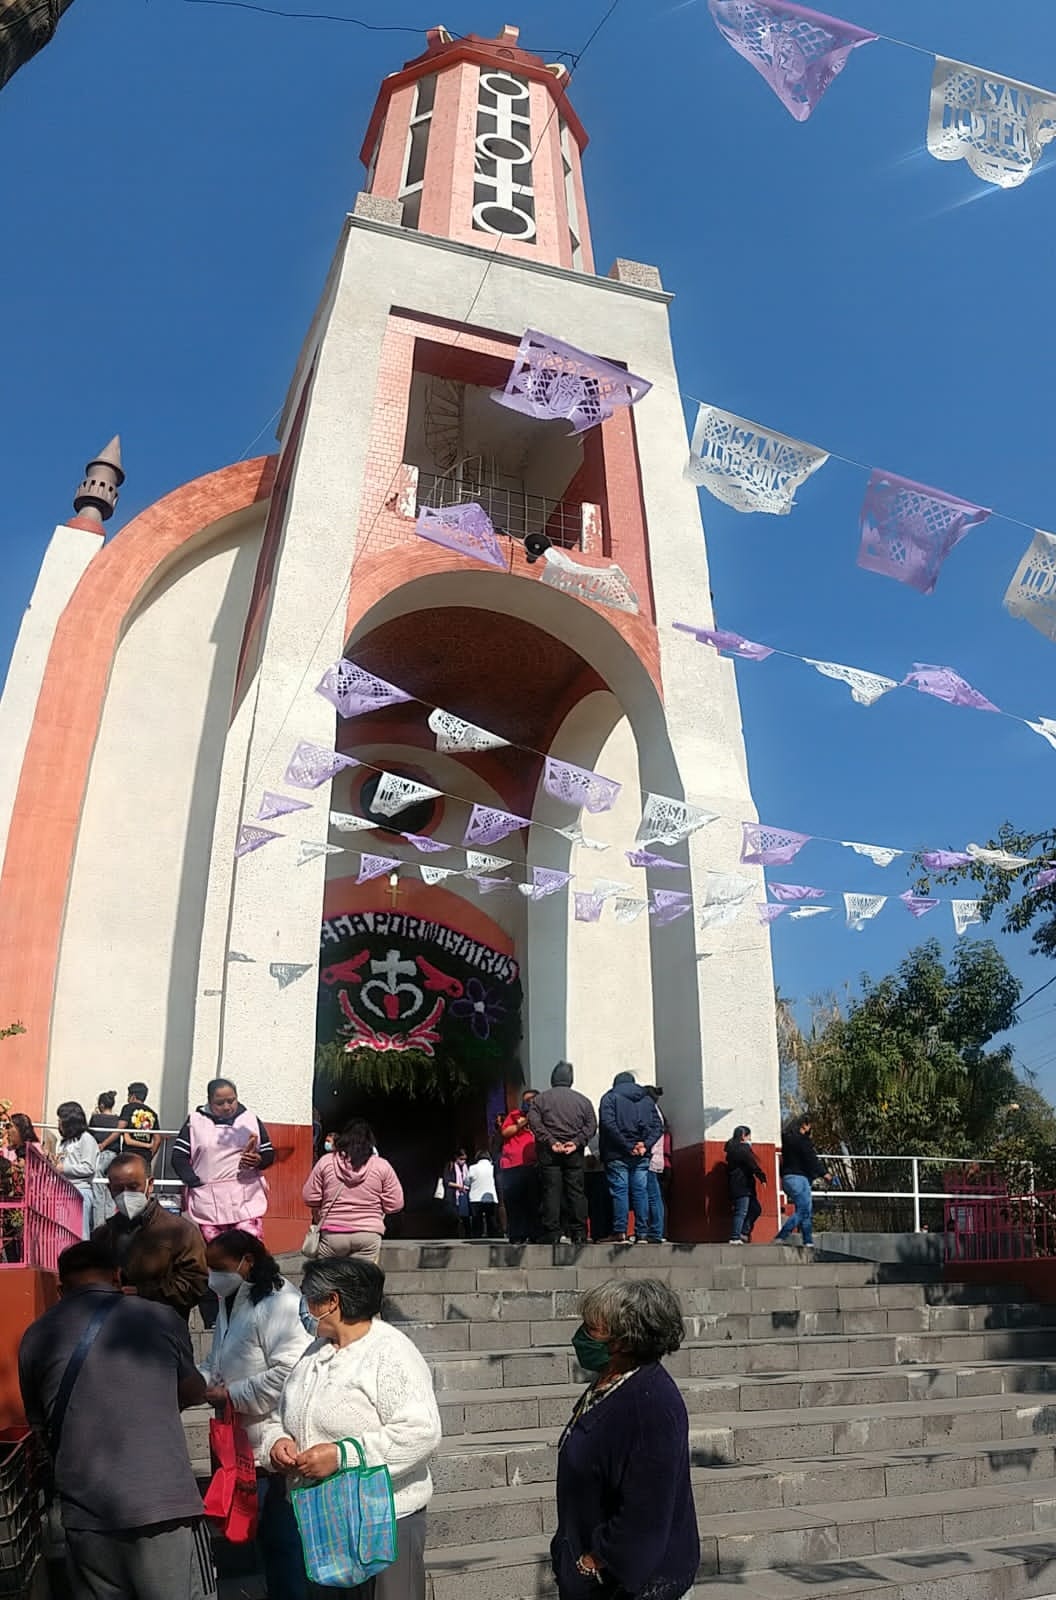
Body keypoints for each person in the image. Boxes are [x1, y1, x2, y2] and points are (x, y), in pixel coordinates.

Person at [19, 1239, 216, 1600]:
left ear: (61, 1288)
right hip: (164, 1506)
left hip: (87, 1514)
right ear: (117, 1275)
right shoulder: (160, 1317)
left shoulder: (36, 1335)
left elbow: (39, 1425)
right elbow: (193, 1391)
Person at [264, 1258, 442, 1600]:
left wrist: (344, 1455)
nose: (302, 1306)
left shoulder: (390, 1352)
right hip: (324, 1519)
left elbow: (422, 1432)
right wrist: (278, 1441)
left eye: (307, 1297)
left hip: (384, 1518)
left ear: (332, 1301)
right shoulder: (314, 1353)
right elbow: (282, 1413)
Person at [552, 1278, 699, 1600]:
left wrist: (596, 1560)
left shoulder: (651, 1405)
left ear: (626, 1340)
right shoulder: (613, 1380)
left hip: (625, 1584)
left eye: (593, 1329)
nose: (581, 1336)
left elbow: (644, 1510)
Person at [200, 1229, 312, 1598]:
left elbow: (290, 1372)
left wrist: (229, 1394)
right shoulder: (231, 1300)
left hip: (275, 1443)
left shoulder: (281, 1302)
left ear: (247, 1261)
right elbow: (219, 1359)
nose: (213, 1276)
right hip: (241, 1443)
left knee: (285, 1546)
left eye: (220, 1267)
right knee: (265, 1545)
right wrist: (197, 1382)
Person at [93, 1150, 208, 1318]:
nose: (126, 1194)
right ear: (109, 1189)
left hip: (164, 1329)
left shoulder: (181, 1232)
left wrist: (143, 1293)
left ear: (150, 1184)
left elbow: (196, 1285)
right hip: (113, 1329)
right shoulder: (103, 1235)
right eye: (118, 1189)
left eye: (133, 1187)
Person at [171, 1077, 275, 1241]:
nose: (227, 1107)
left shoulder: (250, 1120)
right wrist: (193, 1181)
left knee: (248, 1246)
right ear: (209, 1101)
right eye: (220, 1103)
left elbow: (268, 1153)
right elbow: (178, 1156)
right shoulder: (195, 1122)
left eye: (231, 1101)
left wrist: (259, 1160)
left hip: (245, 1198)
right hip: (208, 1199)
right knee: (217, 1252)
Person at [302, 1119, 404, 1264]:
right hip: (368, 1235)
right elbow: (396, 1204)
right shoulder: (382, 1166)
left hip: (333, 1235)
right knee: (362, 1282)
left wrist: (324, 1203)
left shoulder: (326, 1162)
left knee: (328, 1281)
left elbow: (308, 1196)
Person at [527, 1062, 597, 1246]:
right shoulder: (583, 1101)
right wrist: (576, 1142)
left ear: (552, 1079)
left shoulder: (540, 1100)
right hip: (574, 1152)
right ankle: (579, 1233)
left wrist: (551, 1141)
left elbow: (534, 1122)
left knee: (551, 1191)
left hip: (549, 1152)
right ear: (571, 1080)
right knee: (576, 1192)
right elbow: (591, 1125)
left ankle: (552, 1232)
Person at [598, 1074, 663, 1246]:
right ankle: (641, 1233)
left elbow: (608, 1124)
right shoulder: (647, 1100)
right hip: (641, 1154)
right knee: (640, 1192)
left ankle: (620, 1232)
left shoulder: (609, 1097)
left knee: (620, 1191)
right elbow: (658, 1127)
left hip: (617, 1153)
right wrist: (644, 1145)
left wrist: (627, 1145)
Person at [775, 1112, 827, 1248]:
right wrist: (824, 1173)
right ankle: (782, 1235)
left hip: (788, 1178)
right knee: (804, 1210)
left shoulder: (787, 1139)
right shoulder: (803, 1141)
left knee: (805, 1210)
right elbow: (811, 1159)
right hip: (800, 1179)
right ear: (805, 1125)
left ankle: (808, 1240)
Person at [54, 1100, 100, 1237]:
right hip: (63, 1192)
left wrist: (64, 1168)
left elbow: (89, 1168)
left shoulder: (86, 1139)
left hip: (80, 1192)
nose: (58, 1124)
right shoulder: (63, 1143)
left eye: (60, 1120)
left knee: (80, 1234)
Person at [498, 1090, 538, 1245]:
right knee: (514, 1202)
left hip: (533, 1164)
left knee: (533, 1201)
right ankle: (516, 1234)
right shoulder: (515, 1114)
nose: (527, 1103)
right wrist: (520, 1124)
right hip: (513, 1165)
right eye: (525, 1100)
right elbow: (505, 1132)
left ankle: (534, 1233)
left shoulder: (542, 1117)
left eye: (531, 1100)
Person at [97, 1081, 162, 1166]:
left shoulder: (128, 1108)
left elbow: (120, 1128)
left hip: (129, 1155)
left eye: (128, 1095)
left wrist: (103, 1144)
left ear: (133, 1097)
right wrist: (150, 1156)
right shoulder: (152, 1114)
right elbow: (158, 1140)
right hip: (145, 1156)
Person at [724, 1125, 767, 1244]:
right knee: (741, 1211)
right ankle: (735, 1236)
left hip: (741, 1185)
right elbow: (752, 1164)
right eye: (749, 1136)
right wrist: (761, 1177)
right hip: (742, 1185)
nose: (750, 1139)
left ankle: (743, 1232)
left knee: (755, 1209)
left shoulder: (732, 1149)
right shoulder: (742, 1149)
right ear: (743, 1136)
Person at [643, 1085, 668, 1245]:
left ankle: (655, 1231)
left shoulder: (650, 1111)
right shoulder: (657, 1111)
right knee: (654, 1195)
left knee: (652, 1196)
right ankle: (656, 1230)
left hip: (650, 1159)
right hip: (656, 1159)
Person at [466, 1150, 500, 1238]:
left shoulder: (473, 1168)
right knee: (491, 1219)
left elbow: (466, 1182)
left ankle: (476, 1237)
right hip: (490, 1197)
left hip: (475, 1197)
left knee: (477, 1220)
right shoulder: (493, 1167)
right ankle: (492, 1237)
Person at [442, 1149, 471, 1239]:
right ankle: (453, 1236)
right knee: (453, 1217)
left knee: (466, 1217)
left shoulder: (467, 1167)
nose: (463, 1161)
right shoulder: (450, 1166)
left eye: (465, 1159)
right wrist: (459, 1186)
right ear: (456, 1158)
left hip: (465, 1195)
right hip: (453, 1195)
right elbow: (447, 1181)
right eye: (461, 1159)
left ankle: (467, 1236)